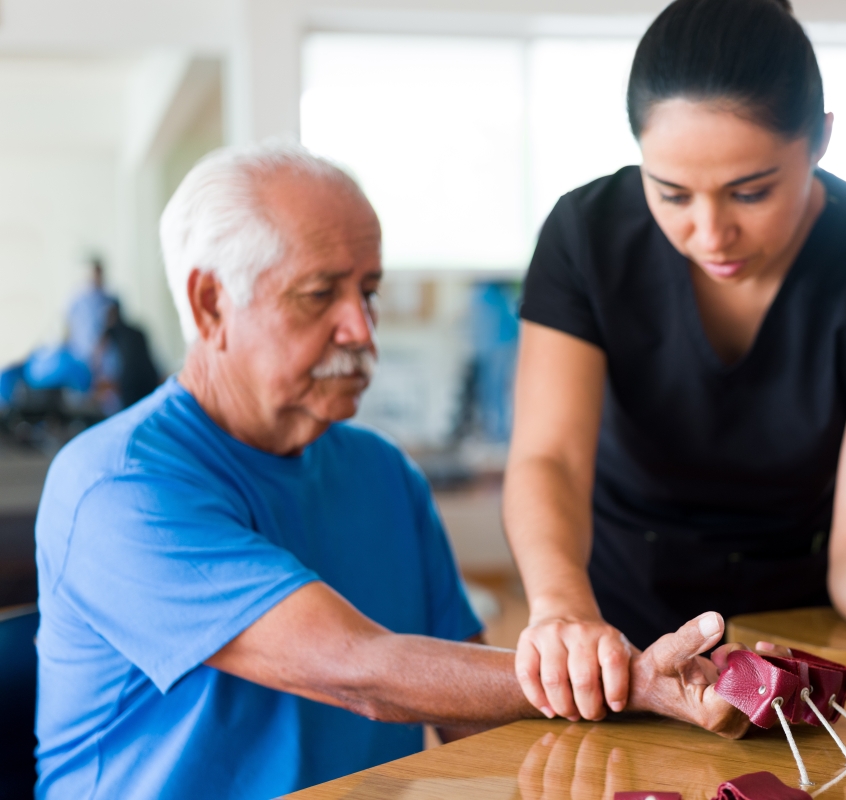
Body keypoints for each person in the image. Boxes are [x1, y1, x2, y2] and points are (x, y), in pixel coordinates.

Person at [33, 143, 748, 800]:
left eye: (368, 292)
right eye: (320, 295)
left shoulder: (382, 474)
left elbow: (474, 715)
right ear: (211, 302)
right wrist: (629, 680)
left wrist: (669, 713)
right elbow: (358, 670)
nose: (362, 330)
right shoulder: (117, 487)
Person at [504, 0, 846, 727]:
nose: (710, 232)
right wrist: (562, 610)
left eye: (751, 192)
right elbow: (550, 461)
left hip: (803, 625)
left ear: (820, 139)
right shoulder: (585, 236)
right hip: (611, 624)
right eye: (670, 193)